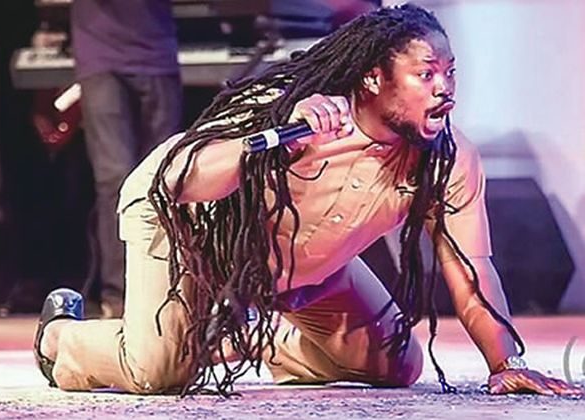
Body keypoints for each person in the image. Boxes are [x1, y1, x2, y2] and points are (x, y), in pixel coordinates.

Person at [34, 4, 581, 397]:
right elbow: (180, 182)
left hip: (307, 268)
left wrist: (505, 362)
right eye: (426, 74)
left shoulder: (448, 159)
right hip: (188, 229)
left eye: (449, 73)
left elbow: (470, 271)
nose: (445, 88)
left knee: (395, 365)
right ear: (373, 78)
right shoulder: (291, 110)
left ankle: (255, 339)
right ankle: (61, 336)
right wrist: (274, 143)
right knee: (158, 374)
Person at [70, 0, 183, 317]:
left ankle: (165, 289)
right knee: (115, 178)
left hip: (157, 53)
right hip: (100, 55)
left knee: (165, 179)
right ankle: (118, 297)